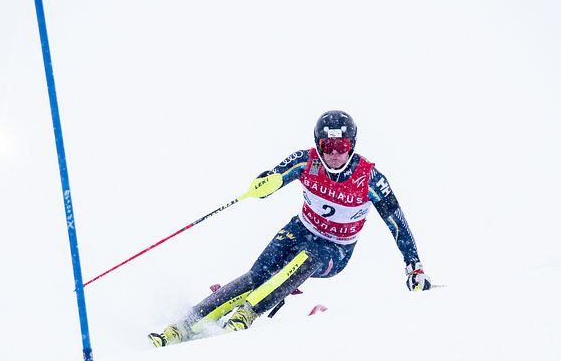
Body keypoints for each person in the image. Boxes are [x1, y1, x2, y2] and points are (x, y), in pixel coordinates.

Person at [148, 110, 432, 347]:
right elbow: (276, 176)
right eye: (327, 147)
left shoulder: (369, 177)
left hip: (336, 249)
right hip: (300, 228)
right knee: (257, 275)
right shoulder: (306, 161)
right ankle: (185, 324)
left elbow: (397, 222)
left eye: (341, 147)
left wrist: (414, 266)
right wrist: (264, 184)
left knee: (308, 256)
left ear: (352, 145)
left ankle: (245, 315)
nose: (334, 155)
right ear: (317, 145)